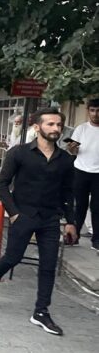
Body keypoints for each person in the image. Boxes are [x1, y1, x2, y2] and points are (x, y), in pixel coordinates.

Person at [0, 108, 78, 335]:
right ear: (37, 127)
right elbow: (3, 184)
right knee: (12, 257)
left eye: (59, 125)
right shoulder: (19, 153)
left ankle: (41, 312)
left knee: (48, 265)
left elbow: (67, 192)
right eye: (51, 124)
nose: (56, 129)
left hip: (50, 218)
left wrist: (71, 221)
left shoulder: (64, 160)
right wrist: (13, 213)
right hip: (23, 215)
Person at [66, 98, 99, 249]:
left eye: (98, 111)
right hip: (80, 170)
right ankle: (75, 235)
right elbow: (73, 151)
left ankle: (96, 240)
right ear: (88, 111)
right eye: (92, 110)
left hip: (98, 173)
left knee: (97, 207)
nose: (95, 114)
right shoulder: (81, 129)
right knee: (79, 206)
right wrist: (72, 147)